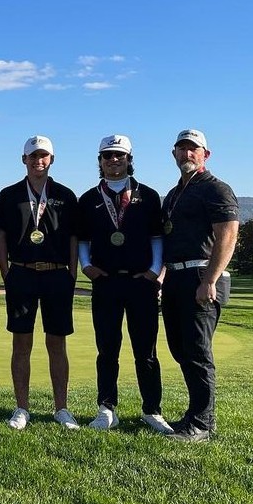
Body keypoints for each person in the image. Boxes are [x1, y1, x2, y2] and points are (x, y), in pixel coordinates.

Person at [76, 135, 172, 433]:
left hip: (141, 283)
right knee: (107, 349)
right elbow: (83, 239)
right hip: (105, 282)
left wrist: (155, 270)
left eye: (119, 155)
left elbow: (158, 237)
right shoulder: (89, 198)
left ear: (129, 159)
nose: (113, 160)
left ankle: (152, 410)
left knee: (146, 351)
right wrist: (87, 266)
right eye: (107, 156)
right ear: (100, 160)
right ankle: (106, 408)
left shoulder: (149, 195)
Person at [0, 135, 81, 430]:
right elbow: (1, 237)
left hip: (57, 275)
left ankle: (62, 408)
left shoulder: (66, 195)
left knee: (57, 343)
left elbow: (72, 238)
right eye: (33, 156)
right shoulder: (8, 195)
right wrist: (6, 272)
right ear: (24, 160)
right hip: (22, 273)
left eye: (43, 156)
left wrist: (71, 275)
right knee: (22, 343)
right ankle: (22, 408)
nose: (38, 161)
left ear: (51, 160)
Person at [160, 129, 238, 442]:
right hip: (176, 278)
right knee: (180, 349)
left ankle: (203, 425)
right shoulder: (175, 192)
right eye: (182, 149)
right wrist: (163, 278)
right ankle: (194, 415)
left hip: (202, 276)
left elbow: (228, 237)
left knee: (197, 351)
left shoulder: (216, 189)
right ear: (174, 154)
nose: (187, 154)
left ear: (206, 154)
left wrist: (210, 280)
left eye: (194, 149)